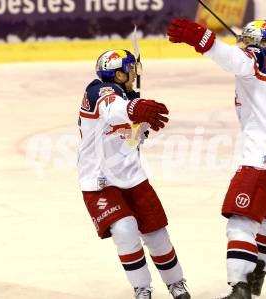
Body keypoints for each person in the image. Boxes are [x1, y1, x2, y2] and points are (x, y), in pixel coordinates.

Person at [167, 19, 266, 299]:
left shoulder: (253, 60)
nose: (243, 43)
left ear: (263, 43)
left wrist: (201, 37)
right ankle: (258, 277)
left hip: (262, 160)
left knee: (241, 222)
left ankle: (240, 287)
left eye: (249, 38)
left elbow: (228, 56)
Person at [77, 49, 191, 299]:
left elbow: (130, 140)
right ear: (117, 74)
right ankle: (142, 288)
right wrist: (135, 108)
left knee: (157, 234)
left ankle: (176, 283)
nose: (134, 73)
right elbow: (112, 110)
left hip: (133, 177)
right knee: (125, 229)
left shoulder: (127, 96)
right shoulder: (98, 91)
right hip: (99, 182)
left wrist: (139, 128)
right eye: (129, 70)